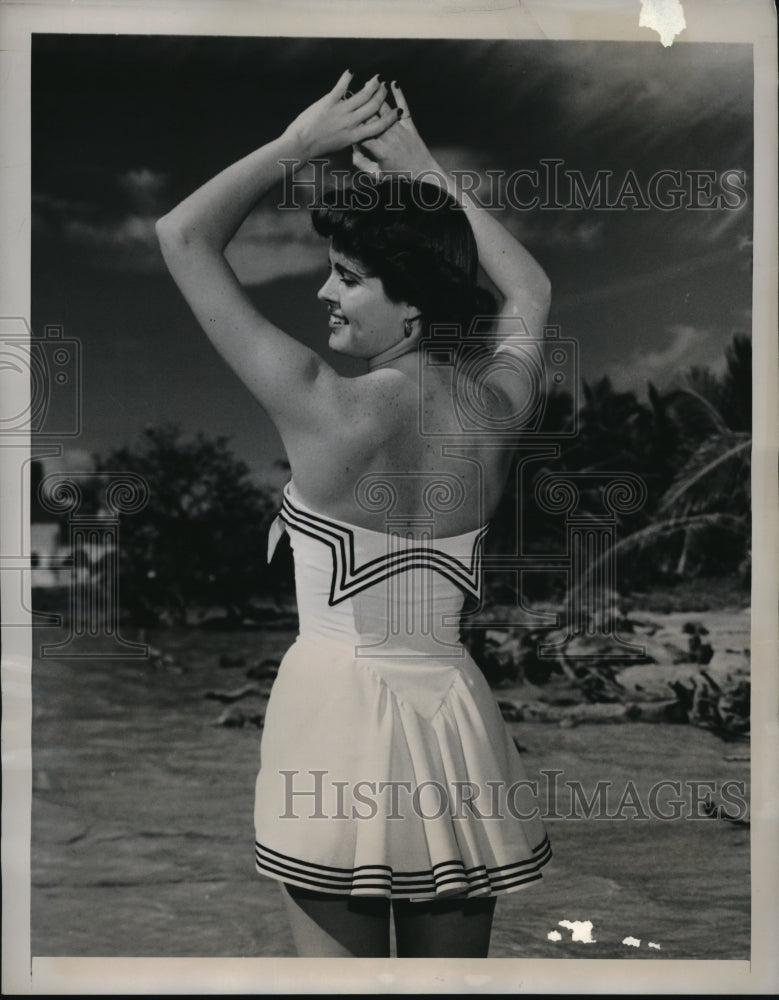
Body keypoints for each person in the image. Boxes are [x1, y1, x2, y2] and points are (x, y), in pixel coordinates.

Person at [156, 71, 552, 959]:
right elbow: (528, 293)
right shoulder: (495, 413)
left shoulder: (318, 404)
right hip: (453, 719)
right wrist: (424, 170)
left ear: (411, 300)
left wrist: (296, 147)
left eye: (348, 277)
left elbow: (182, 235)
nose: (325, 294)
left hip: (336, 719)